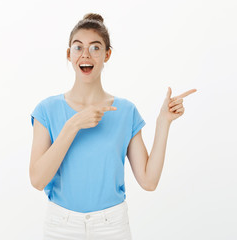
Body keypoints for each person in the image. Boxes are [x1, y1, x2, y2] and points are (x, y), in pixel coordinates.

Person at [29, 12, 197, 240]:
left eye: (95, 48)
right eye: (78, 47)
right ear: (69, 55)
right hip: (61, 227)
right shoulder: (47, 110)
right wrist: (74, 124)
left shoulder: (126, 111)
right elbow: (37, 180)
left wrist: (163, 122)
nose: (85, 55)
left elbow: (149, 181)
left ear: (107, 54)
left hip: (111, 227)